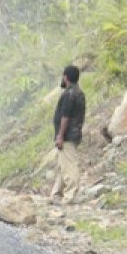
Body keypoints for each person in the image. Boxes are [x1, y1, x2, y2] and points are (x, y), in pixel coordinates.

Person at [50, 64, 86, 204]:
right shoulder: (78, 92)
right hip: (74, 133)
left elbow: (65, 116)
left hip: (68, 135)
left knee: (69, 165)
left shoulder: (69, 94)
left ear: (65, 77)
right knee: (62, 165)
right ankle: (56, 194)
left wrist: (60, 136)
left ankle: (71, 196)